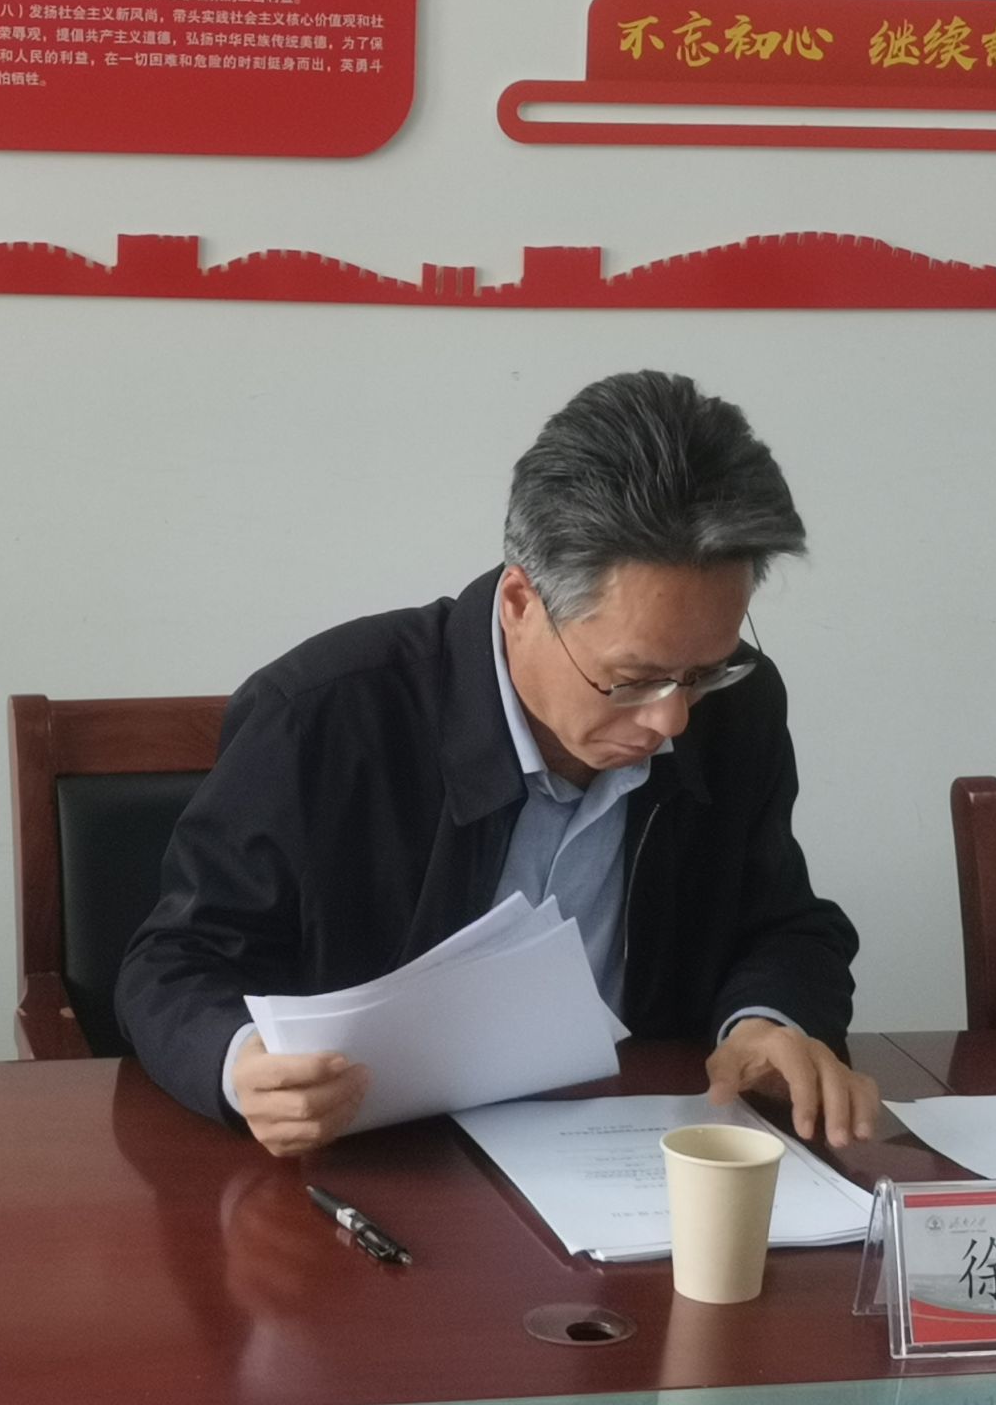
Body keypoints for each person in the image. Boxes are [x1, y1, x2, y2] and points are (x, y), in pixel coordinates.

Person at [116, 370, 879, 1157]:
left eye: (703, 672)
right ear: (520, 604)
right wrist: (242, 1066)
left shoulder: (738, 707)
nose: (672, 719)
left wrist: (766, 1021)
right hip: (383, 1164)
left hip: (635, 1154)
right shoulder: (322, 717)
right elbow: (174, 961)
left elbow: (782, 923)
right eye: (632, 679)